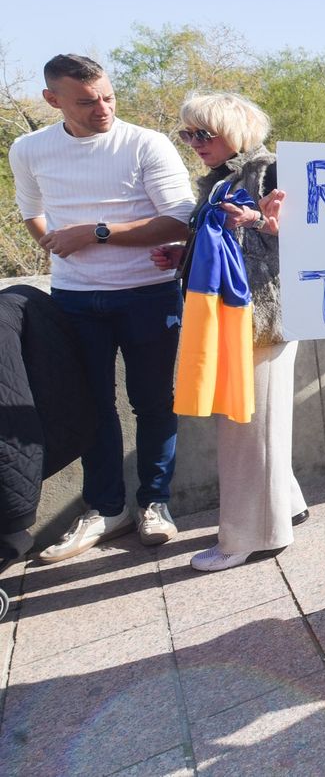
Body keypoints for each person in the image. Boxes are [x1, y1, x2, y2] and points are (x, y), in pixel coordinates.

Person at [9, 53, 194, 562]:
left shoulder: (145, 143)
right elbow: (32, 212)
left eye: (108, 97)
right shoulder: (29, 149)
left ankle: (154, 503)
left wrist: (95, 234)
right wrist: (57, 247)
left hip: (149, 292)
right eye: (88, 102)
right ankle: (104, 508)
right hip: (72, 299)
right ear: (53, 100)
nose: (103, 109)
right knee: (90, 407)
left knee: (154, 401)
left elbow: (181, 220)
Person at [151, 93, 307, 571]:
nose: (195, 142)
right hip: (240, 317)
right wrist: (186, 254)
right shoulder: (221, 180)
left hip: (263, 318)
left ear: (235, 131)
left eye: (204, 133)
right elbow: (229, 245)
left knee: (247, 427)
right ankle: (286, 504)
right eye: (188, 133)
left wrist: (260, 219)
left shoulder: (272, 170)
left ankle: (254, 535)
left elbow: (317, 230)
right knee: (254, 423)